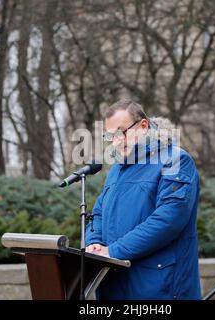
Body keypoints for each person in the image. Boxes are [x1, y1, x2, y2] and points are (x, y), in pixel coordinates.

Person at [85, 99, 202, 300]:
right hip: (114, 284)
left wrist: (113, 251)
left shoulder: (175, 161)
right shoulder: (116, 170)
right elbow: (98, 213)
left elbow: (167, 221)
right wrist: (94, 242)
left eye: (122, 132)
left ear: (144, 126)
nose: (116, 141)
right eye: (110, 136)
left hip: (158, 286)